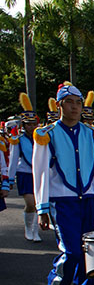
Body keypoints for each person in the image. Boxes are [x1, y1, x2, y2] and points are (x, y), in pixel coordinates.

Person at [33, 84, 94, 285]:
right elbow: (41, 171)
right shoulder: (47, 135)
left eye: (78, 102)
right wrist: (42, 207)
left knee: (88, 253)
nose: (75, 107)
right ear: (59, 106)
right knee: (72, 251)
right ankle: (56, 284)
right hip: (61, 201)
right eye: (69, 102)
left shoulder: (92, 133)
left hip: (86, 199)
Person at [6, 93, 42, 241]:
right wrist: (8, 180)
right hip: (24, 173)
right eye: (29, 124)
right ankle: (28, 227)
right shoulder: (18, 140)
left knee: (37, 204)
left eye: (34, 124)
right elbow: (13, 160)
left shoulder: (42, 139)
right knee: (30, 203)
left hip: (38, 173)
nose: (32, 127)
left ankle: (35, 230)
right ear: (23, 125)